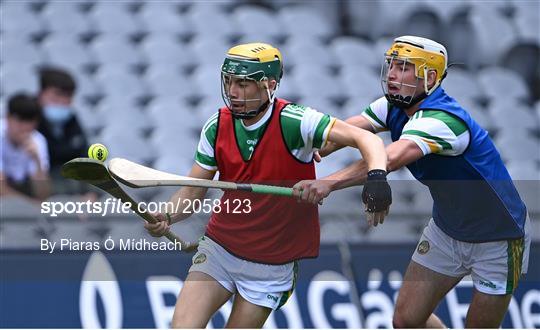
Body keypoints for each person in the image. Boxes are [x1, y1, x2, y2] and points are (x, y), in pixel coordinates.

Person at [144, 42, 392, 328]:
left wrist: (376, 178)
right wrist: (167, 216)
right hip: (220, 249)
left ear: (269, 84)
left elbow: (369, 140)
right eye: (228, 81)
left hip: (271, 266)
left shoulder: (296, 122)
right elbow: (192, 192)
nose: (233, 92)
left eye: (243, 84)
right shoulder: (217, 126)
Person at [295, 35, 531, 328]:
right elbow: (349, 130)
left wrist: (328, 183)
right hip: (447, 230)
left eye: (404, 67)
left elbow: (388, 158)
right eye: (392, 65)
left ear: (430, 77)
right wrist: (317, 143)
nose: (392, 74)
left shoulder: (444, 121)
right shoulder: (393, 105)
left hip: (498, 237)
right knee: (405, 321)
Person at [37, 67, 88, 174]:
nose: (63, 101)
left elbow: (83, 154)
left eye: (68, 96)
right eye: (57, 94)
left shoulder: (71, 118)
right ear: (41, 93)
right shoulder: (26, 117)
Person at [0, 93, 51, 202]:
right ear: (7, 118)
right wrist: (31, 205)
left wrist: (36, 160)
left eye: (29, 122)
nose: (24, 127)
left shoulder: (38, 141)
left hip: (22, 188)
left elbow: (43, 193)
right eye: (20, 121)